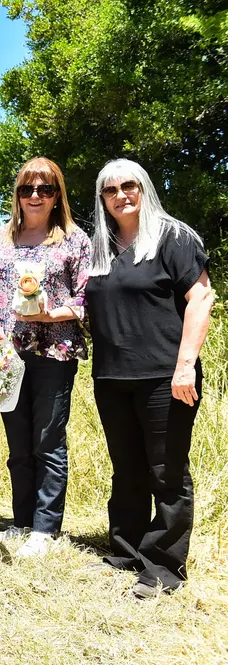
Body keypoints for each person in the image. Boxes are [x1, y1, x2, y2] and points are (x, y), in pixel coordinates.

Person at [85, 159, 213, 599]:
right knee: (127, 469)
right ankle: (125, 551)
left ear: (145, 189)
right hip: (111, 376)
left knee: (167, 471)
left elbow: (201, 297)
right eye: (110, 190)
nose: (121, 195)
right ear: (102, 199)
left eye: (129, 186)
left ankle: (163, 567)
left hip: (165, 376)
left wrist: (185, 365)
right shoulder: (101, 247)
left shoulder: (173, 237)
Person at [0, 157, 91, 556]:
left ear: (58, 195)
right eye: (27, 189)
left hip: (54, 353)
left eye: (45, 189)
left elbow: (86, 300)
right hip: (7, 357)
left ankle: (45, 528)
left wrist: (49, 313)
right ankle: (21, 521)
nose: (35, 196)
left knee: (48, 440)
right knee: (18, 443)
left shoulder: (75, 240)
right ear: (18, 195)